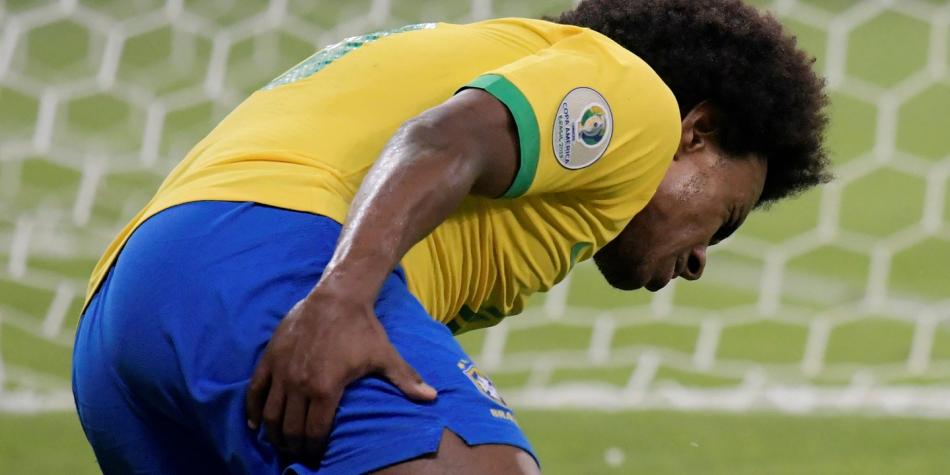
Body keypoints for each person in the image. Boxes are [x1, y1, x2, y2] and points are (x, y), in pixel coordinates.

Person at [71, 0, 829, 473]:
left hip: (121, 319)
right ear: (698, 132)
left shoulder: (501, 62)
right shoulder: (636, 98)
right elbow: (441, 139)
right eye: (724, 219)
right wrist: (341, 299)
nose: (698, 259)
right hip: (279, 261)